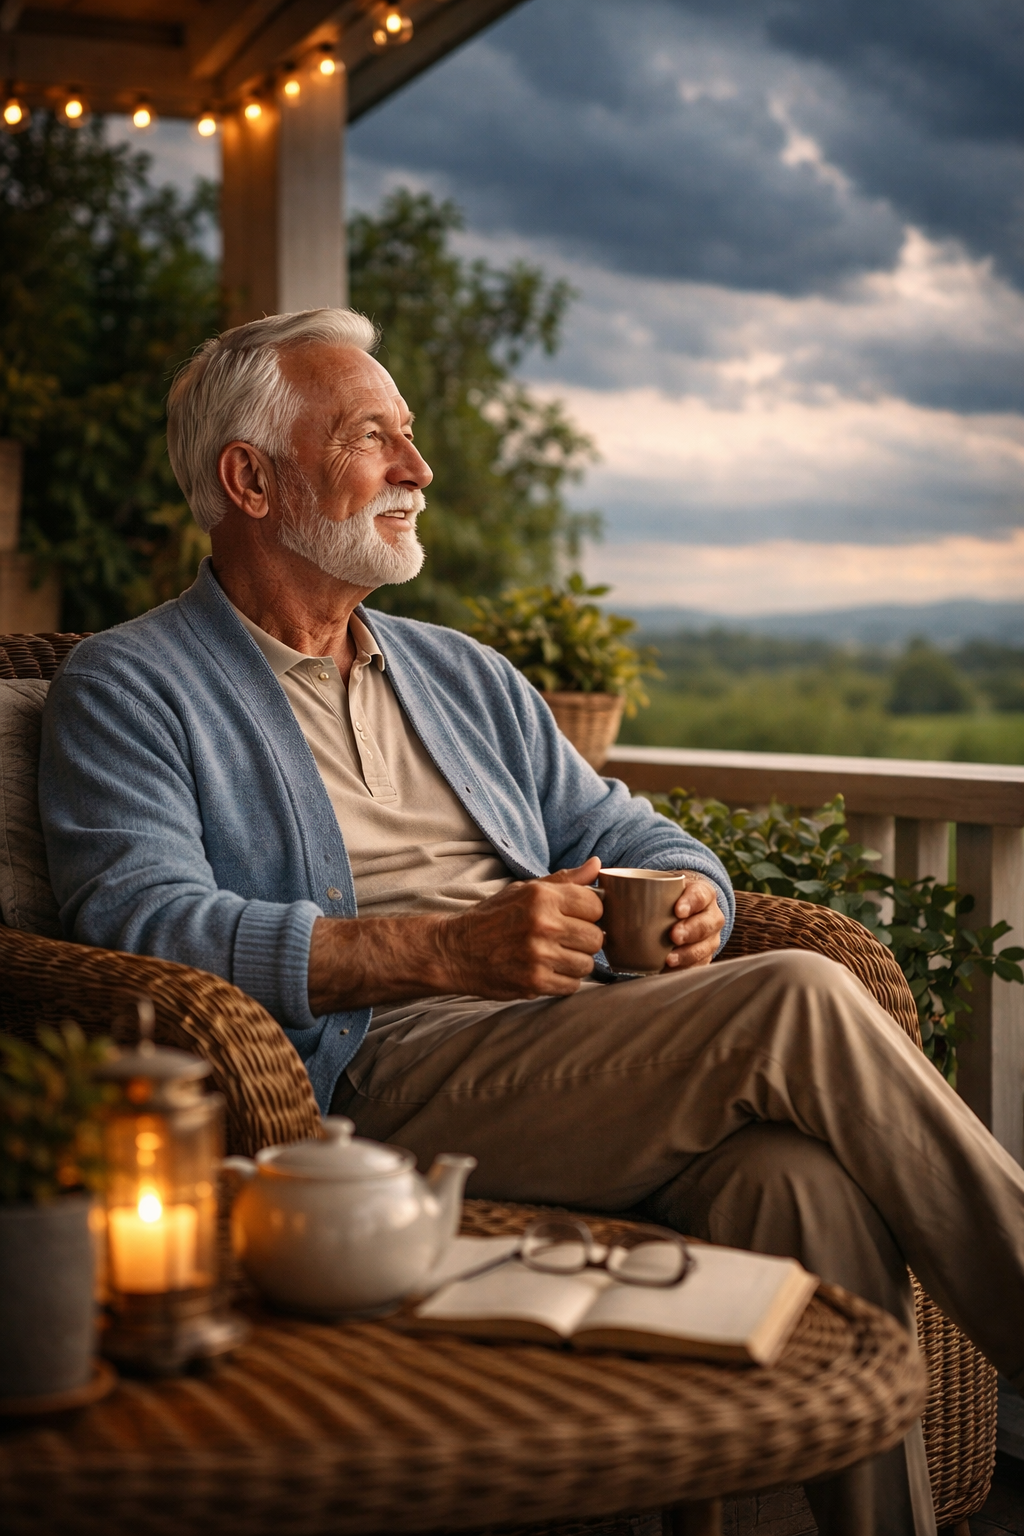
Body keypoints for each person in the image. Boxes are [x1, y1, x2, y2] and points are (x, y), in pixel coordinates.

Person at [39, 309, 1024, 1536]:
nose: (418, 469)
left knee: (792, 1177)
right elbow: (145, 932)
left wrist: (696, 912)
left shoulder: (464, 675)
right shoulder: (131, 685)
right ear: (250, 478)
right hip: (368, 1076)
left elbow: (643, 836)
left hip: (576, 1051)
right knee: (801, 995)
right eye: (373, 437)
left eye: (410, 437)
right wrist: (446, 950)